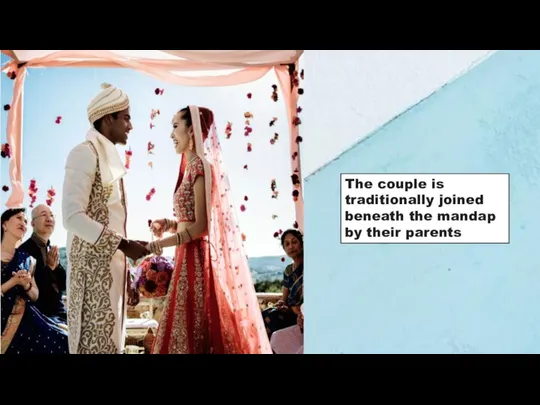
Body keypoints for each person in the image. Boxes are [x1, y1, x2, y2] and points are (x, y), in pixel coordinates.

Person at [147, 105, 271, 354]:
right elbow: (189, 218)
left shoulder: (200, 166)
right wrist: (168, 223)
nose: (171, 134)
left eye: (175, 126)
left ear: (191, 130)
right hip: (184, 257)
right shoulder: (190, 168)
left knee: (194, 331)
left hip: (193, 261)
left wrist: (161, 244)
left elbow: (202, 227)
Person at [62, 83, 150, 354]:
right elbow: (72, 217)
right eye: (126, 117)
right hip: (91, 280)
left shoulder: (107, 159)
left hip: (111, 276)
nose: (130, 125)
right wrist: (124, 245)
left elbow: (109, 220)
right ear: (108, 118)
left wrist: (127, 273)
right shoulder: (84, 153)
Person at [1, 208, 69, 354]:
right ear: (4, 225)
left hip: (38, 314)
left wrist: (26, 285)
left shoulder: (26, 258)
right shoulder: (28, 249)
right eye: (19, 218)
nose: (23, 223)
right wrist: (13, 282)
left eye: (24, 221)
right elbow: (40, 296)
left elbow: (38, 291)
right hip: (26, 315)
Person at [19, 204, 67, 324]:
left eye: (51, 215)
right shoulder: (24, 251)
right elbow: (31, 291)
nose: (49, 219)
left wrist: (56, 268)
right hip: (40, 314)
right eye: (44, 215)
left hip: (60, 310)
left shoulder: (51, 249)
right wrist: (49, 268)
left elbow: (63, 286)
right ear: (32, 223)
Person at [262, 229, 304, 337]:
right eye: (287, 244)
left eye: (294, 242)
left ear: (302, 244)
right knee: (265, 313)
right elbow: (284, 300)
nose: (291, 246)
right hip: (289, 311)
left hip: (302, 314)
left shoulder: (309, 266)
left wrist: (295, 310)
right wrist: (282, 305)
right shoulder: (288, 270)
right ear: (284, 249)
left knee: (272, 318)